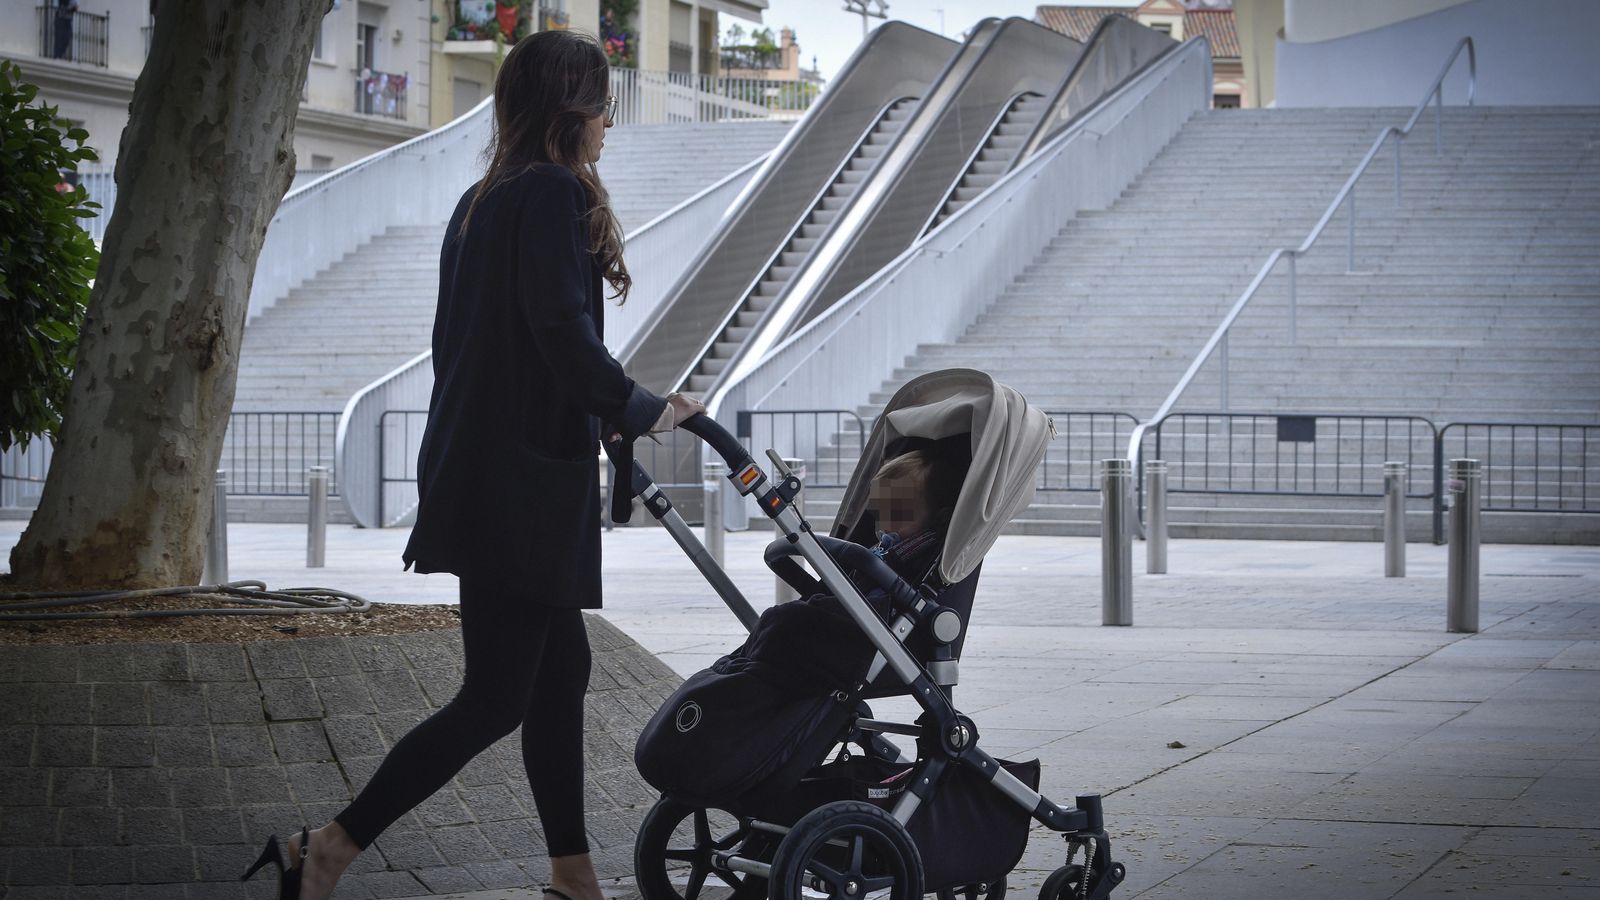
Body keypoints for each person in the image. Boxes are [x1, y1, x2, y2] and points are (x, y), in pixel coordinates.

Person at [241, 30, 703, 900]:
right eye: (602, 105)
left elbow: (494, 344)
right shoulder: (551, 193)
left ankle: (573, 876)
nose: (609, 122)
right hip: (520, 487)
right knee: (496, 697)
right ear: (570, 109)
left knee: (560, 677)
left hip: (492, 470)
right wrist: (642, 408)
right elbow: (560, 332)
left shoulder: (483, 199)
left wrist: (605, 421)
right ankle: (326, 849)